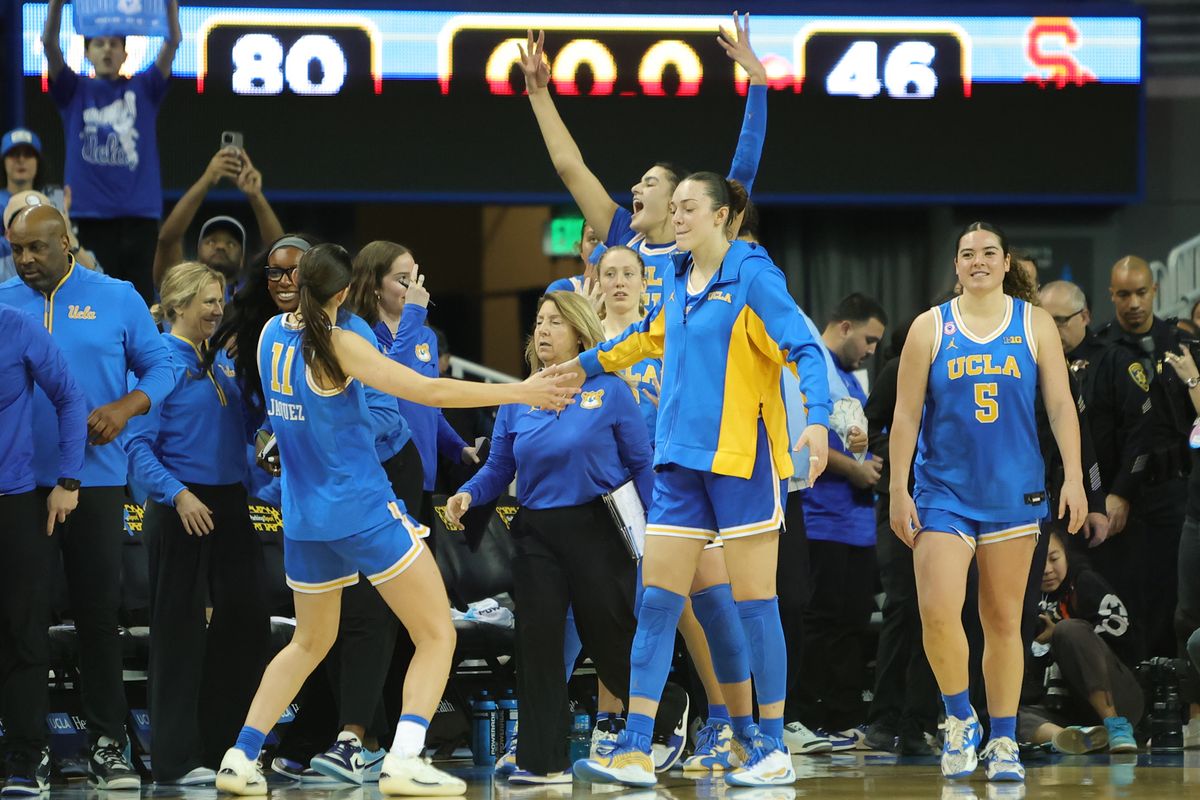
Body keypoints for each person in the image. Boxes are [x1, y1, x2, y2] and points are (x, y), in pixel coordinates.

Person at [214, 243, 576, 797]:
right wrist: (520, 390)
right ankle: (405, 758)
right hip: (361, 508)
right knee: (435, 634)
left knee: (309, 642)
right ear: (342, 293)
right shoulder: (339, 343)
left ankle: (241, 754)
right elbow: (426, 390)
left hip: (305, 518)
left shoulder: (269, 336)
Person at [569, 171, 831, 788]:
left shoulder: (754, 276)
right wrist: (572, 370)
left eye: (690, 208)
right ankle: (635, 746)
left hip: (743, 463)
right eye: (675, 208)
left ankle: (770, 746)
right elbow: (640, 338)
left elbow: (806, 349)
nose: (677, 217)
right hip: (679, 467)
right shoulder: (677, 282)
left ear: (721, 216)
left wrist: (818, 420)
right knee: (656, 603)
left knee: (754, 606)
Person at [888, 221, 1086, 783]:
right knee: (936, 612)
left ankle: (1002, 739)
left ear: (1005, 265)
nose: (977, 260)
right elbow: (904, 415)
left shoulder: (1035, 324)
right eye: (967, 253)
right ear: (956, 266)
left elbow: (1060, 407)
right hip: (942, 491)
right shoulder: (929, 328)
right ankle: (958, 718)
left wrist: (1073, 477)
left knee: (1002, 622)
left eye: (988, 252)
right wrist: (899, 488)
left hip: (1013, 493)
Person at [0, 204, 177, 790]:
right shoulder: (5, 303)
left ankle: (109, 742)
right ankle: (28, 752)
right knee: (21, 622)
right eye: (16, 250)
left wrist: (126, 407)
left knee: (99, 617)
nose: (26, 261)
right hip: (20, 488)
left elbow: (162, 367)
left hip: (96, 481)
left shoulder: (119, 296)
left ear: (66, 241)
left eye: (37, 249)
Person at [445, 291, 653, 784]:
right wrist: (469, 496)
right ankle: (544, 761)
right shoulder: (519, 399)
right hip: (536, 529)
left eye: (555, 322)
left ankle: (664, 718)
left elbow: (642, 464)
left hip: (598, 525)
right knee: (537, 641)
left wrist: (657, 533)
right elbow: (499, 467)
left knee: (608, 636)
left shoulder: (611, 390)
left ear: (580, 333)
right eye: (538, 322)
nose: (542, 331)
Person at [124, 262, 270, 785]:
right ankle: (176, 759)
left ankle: (224, 746)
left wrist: (263, 445)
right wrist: (177, 494)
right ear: (178, 305)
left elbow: (242, 426)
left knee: (247, 622)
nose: (217, 310)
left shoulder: (218, 362)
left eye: (220, 300)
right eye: (207, 301)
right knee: (178, 632)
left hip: (229, 503)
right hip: (181, 505)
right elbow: (136, 446)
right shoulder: (160, 360)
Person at [522, 13, 768, 304]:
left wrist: (757, 81)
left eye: (649, 183)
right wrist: (538, 93)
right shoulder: (625, 236)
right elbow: (569, 167)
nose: (635, 189)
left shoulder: (703, 241)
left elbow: (745, 168)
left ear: (674, 202)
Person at [41, 0, 182, 303]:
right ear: (87, 52)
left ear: (125, 53)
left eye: (114, 44)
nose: (107, 50)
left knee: (140, 304)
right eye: (99, 44)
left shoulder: (145, 89)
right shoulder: (72, 90)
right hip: (90, 217)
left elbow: (172, 42)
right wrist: (55, 5)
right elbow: (49, 44)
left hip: (140, 217)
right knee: (92, 303)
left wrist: (170, 5)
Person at [0, 304, 86, 797]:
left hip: (13, 503)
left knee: (22, 632)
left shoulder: (16, 327)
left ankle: (23, 758)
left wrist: (68, 478)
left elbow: (70, 397)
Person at [796, 294, 887, 749]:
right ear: (845, 326)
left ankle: (845, 716)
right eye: (869, 339)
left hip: (857, 522)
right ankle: (811, 716)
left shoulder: (853, 381)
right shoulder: (808, 367)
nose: (872, 349)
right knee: (822, 621)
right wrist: (852, 467)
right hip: (821, 520)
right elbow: (800, 436)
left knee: (853, 621)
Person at [1038, 280, 1150, 641]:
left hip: (1102, 498)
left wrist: (1117, 494)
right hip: (1049, 501)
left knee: (1103, 591)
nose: (1052, 329)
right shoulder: (1033, 363)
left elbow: (1141, 431)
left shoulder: (1114, 359)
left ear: (1085, 316)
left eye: (1060, 320)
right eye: (1045, 320)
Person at [1097, 257, 1189, 657]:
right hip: (1122, 494)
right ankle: (1130, 685)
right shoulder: (1100, 348)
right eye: (1123, 294)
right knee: (1124, 592)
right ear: (1111, 295)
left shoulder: (1183, 344)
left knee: (1174, 592)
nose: (1133, 303)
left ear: (1154, 291)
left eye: (1140, 292)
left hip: (1174, 489)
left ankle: (1172, 686)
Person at [348, 241, 477, 523]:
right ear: (374, 285)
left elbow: (428, 403)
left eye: (416, 278)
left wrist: (459, 448)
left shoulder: (425, 337)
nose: (414, 289)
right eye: (403, 280)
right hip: (381, 471)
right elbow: (389, 381)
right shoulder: (358, 336)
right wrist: (414, 316)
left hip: (423, 473)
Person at [862, 319, 940, 756]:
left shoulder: (962, 364)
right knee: (903, 607)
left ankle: (920, 723)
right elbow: (871, 426)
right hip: (900, 499)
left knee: (940, 612)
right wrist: (896, 459)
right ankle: (883, 718)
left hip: (949, 501)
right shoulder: (896, 369)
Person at [1019, 531, 1142, 754]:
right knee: (1005, 715)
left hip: (1116, 696)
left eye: (1054, 559)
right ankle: (1073, 738)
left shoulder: (1085, 582)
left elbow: (1125, 638)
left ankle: (1115, 727)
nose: (1047, 569)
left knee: (1069, 631)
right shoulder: (1022, 599)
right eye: (1037, 562)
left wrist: (1057, 633)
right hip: (1064, 706)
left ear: (1066, 555)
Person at [153, 147, 284, 289]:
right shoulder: (182, 290)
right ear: (198, 253)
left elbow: (280, 252)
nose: (220, 247)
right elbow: (168, 240)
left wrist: (255, 195)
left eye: (231, 244)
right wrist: (207, 179)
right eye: (211, 242)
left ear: (242, 260)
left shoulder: (252, 293)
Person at [1161, 339, 1200, 748]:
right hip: (1196, 512)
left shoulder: (1194, 377)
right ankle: (1195, 714)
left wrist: (1193, 381)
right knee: (1188, 616)